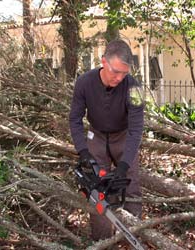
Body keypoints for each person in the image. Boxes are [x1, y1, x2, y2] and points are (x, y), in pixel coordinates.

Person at [69, 39, 144, 241]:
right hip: (97, 136)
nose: (119, 78)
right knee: (97, 191)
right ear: (103, 62)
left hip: (123, 136)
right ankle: (102, 242)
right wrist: (83, 151)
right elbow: (75, 119)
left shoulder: (134, 88)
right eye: (115, 72)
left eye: (124, 73)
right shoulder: (84, 82)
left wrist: (124, 164)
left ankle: (131, 238)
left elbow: (136, 128)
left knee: (131, 188)